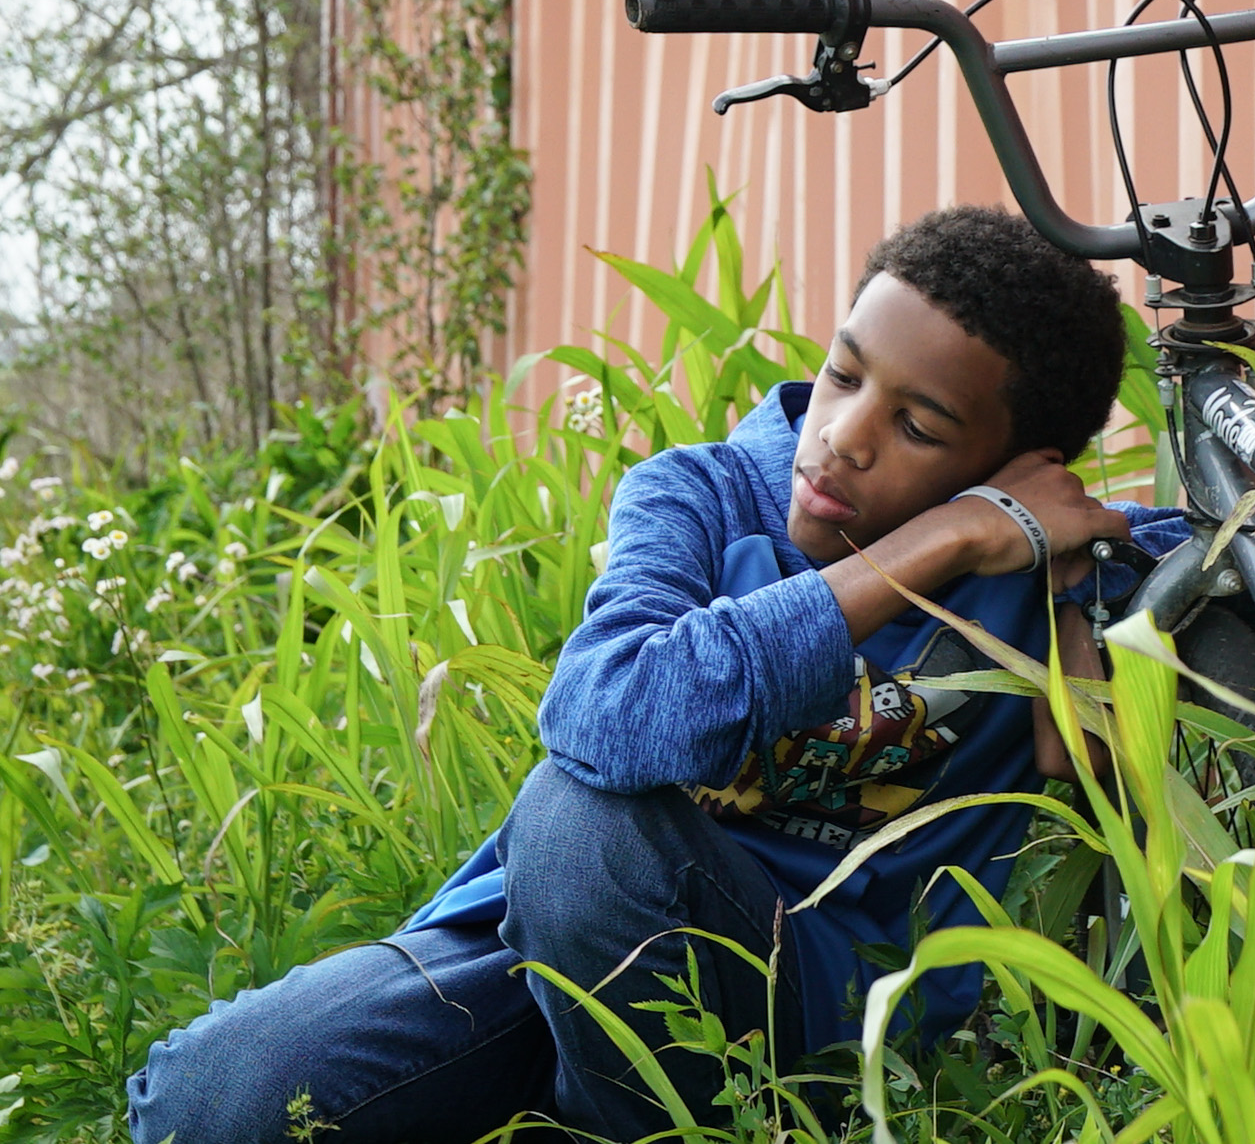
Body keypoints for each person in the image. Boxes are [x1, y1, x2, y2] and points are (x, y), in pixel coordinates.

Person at [126, 206, 1187, 1144]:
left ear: (1020, 466)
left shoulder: (1064, 557)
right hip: (563, 932)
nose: (841, 438)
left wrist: (1057, 579)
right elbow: (608, 706)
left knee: (579, 825)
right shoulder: (699, 497)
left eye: (915, 426)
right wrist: (931, 542)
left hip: (825, 995)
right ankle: (573, 1092)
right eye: (844, 373)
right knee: (206, 1100)